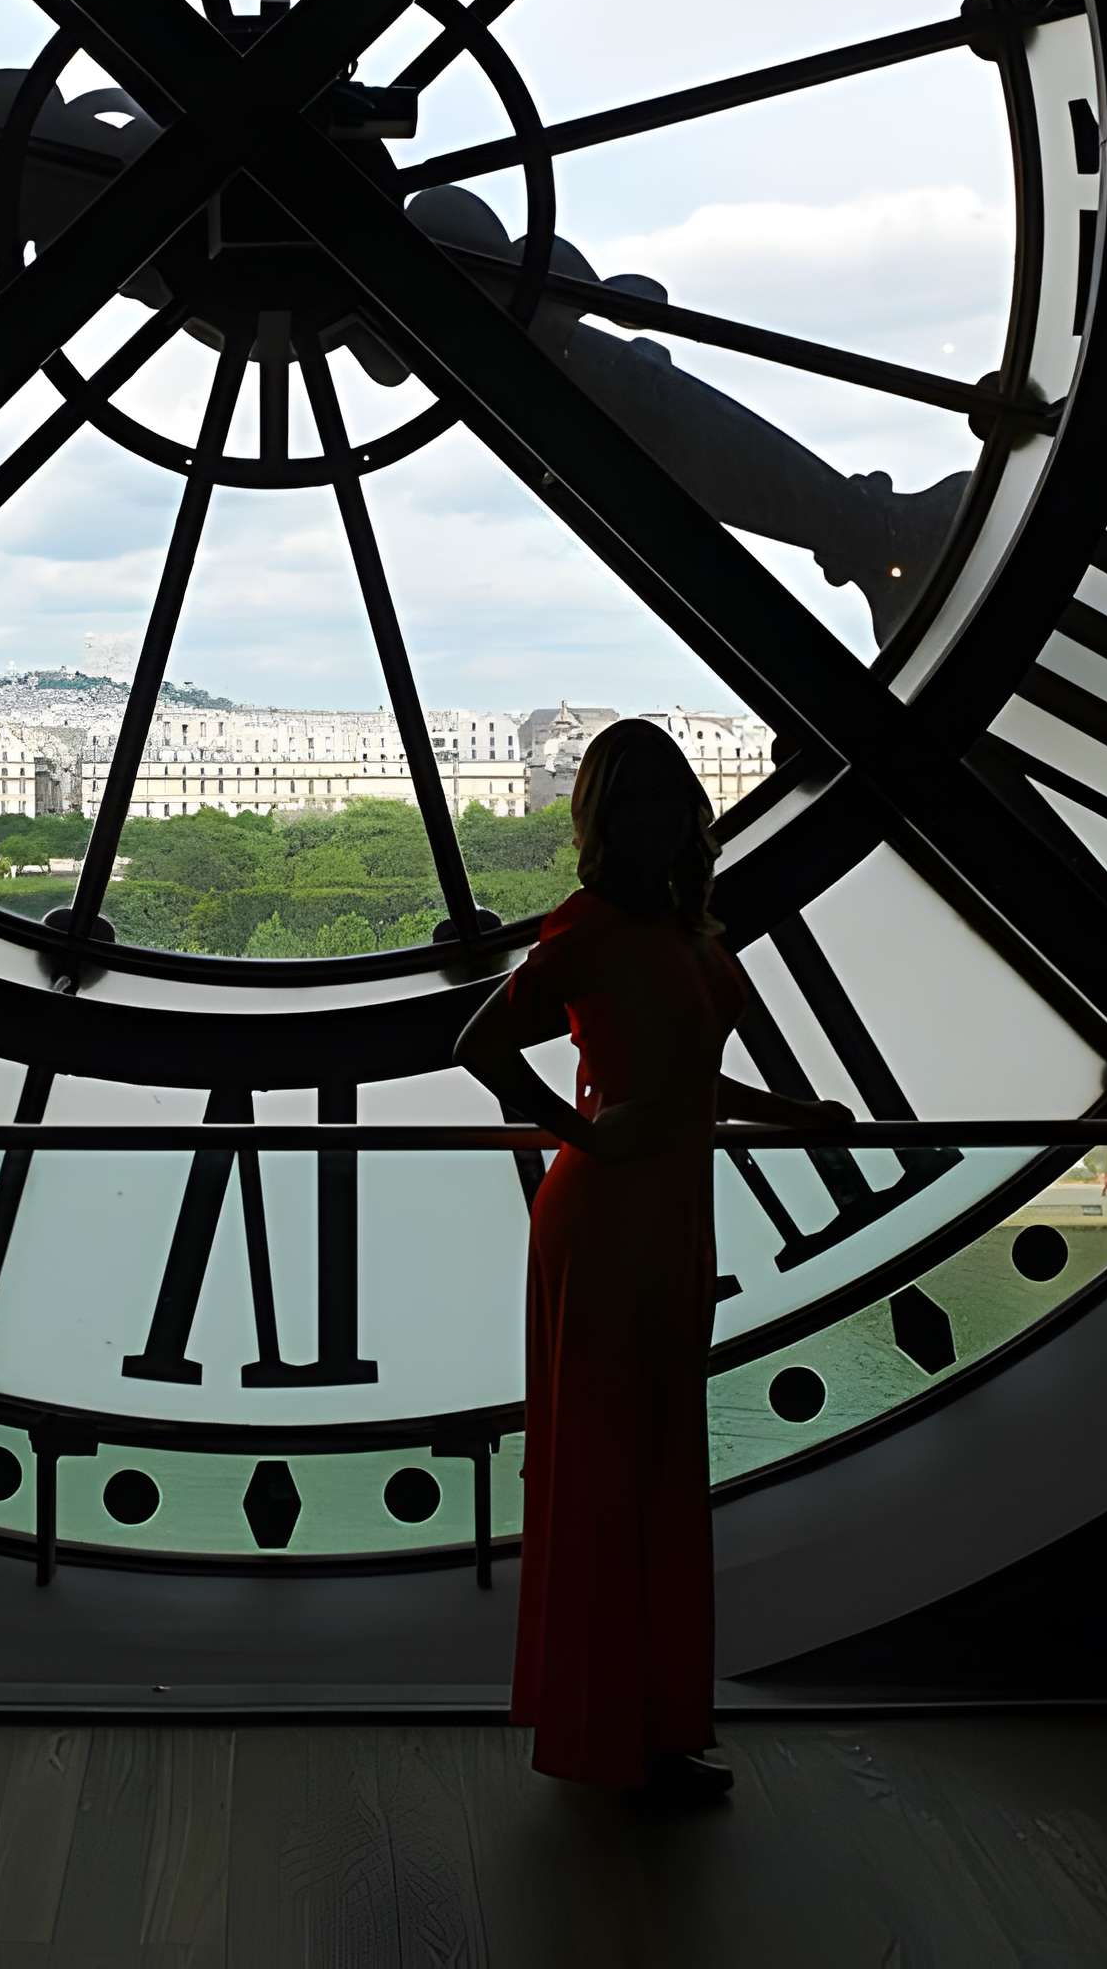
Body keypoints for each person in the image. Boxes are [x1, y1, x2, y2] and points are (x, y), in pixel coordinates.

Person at [453, 717, 852, 1799]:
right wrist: (781, 1116)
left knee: (606, 1469)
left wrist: (581, 1135)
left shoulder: (598, 932)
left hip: (621, 1207)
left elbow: (491, 1048)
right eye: (648, 802)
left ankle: (609, 1732)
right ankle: (651, 1729)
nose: (661, 818)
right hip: (651, 1210)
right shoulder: (677, 933)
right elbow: (681, 1081)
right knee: (652, 1468)